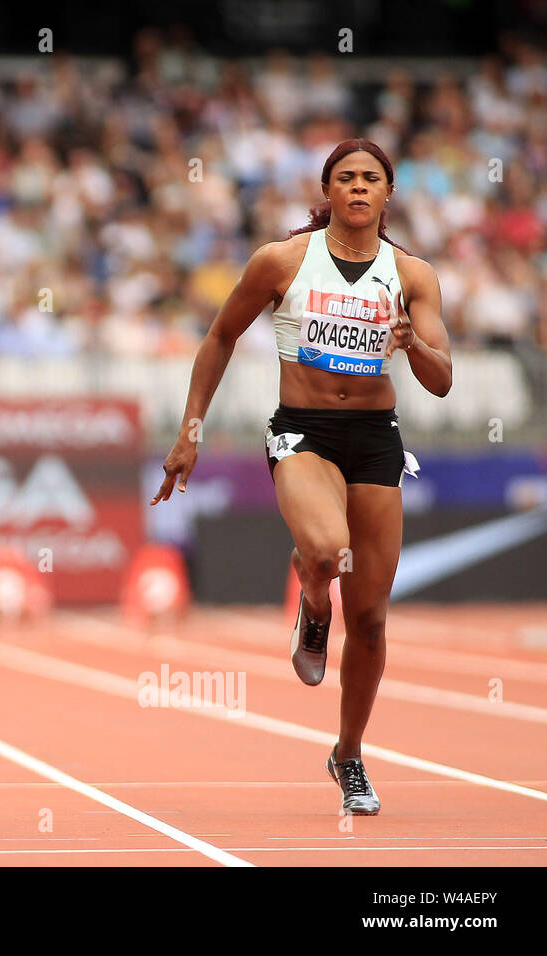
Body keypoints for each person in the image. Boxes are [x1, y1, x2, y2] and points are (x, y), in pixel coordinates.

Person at [152, 139, 452, 815]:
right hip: (303, 431)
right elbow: (219, 337)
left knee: (370, 619)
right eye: (345, 177)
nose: (358, 187)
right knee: (324, 551)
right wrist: (189, 432)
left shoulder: (412, 275)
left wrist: (412, 342)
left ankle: (348, 754)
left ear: (388, 192)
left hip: (375, 440)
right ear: (327, 190)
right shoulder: (283, 260)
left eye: (370, 177)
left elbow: (441, 380)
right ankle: (315, 604)